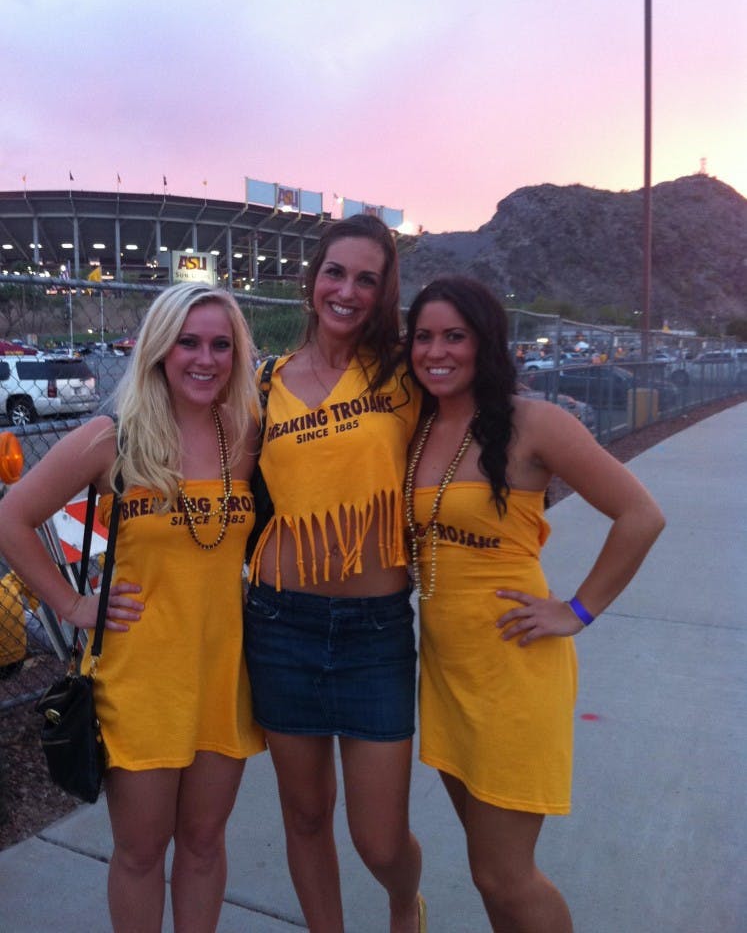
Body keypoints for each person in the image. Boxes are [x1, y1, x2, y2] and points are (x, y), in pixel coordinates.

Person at [0, 282, 266, 932]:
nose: (204, 359)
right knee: (143, 851)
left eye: (220, 345)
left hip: (223, 676)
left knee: (204, 846)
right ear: (157, 349)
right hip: (140, 679)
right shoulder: (113, 437)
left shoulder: (249, 435)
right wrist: (71, 603)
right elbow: (13, 515)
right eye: (188, 342)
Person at [403, 276, 665, 932]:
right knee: (487, 869)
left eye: (454, 336)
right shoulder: (421, 423)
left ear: (484, 342)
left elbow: (640, 515)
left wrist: (576, 611)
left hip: (512, 672)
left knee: (506, 874)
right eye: (424, 336)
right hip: (445, 671)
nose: (436, 351)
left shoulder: (532, 422)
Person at [243, 214, 426, 933]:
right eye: (335, 273)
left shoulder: (407, 375)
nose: (345, 291)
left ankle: (401, 903)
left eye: (365, 279)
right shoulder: (265, 382)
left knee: (379, 839)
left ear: (383, 295)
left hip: (374, 633)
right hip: (279, 622)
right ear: (310, 278)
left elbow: (479, 434)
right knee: (307, 815)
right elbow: (223, 480)